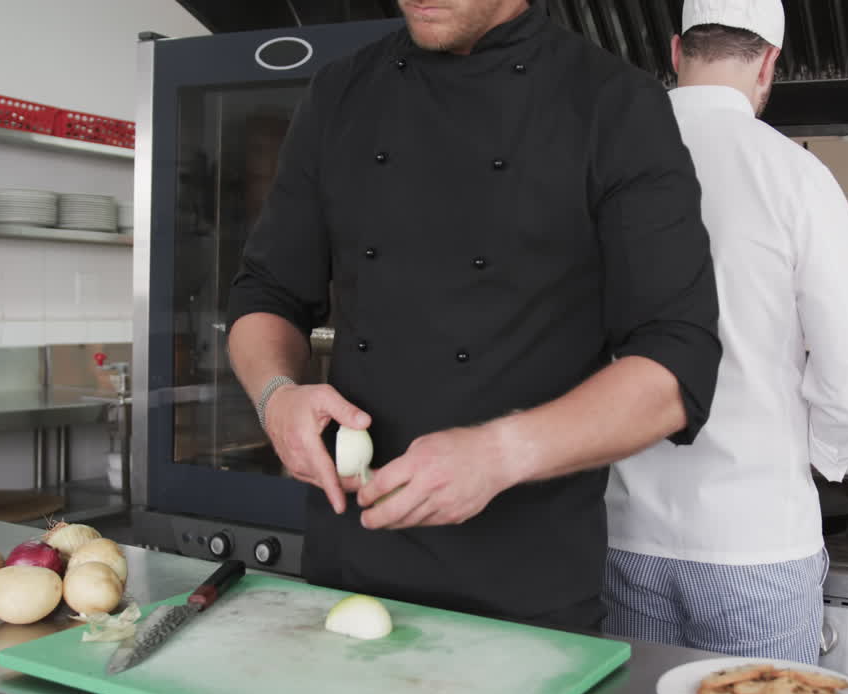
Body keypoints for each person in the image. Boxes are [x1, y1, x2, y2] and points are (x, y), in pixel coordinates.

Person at [225, 0, 722, 631]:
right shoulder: (340, 93)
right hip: (348, 574)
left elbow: (676, 361)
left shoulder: (615, 105)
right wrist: (275, 396)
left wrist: (499, 454)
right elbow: (266, 292)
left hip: (526, 593)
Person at [603, 0, 848, 664]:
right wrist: (796, 460)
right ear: (769, 64)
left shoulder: (606, 165)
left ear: (676, 52)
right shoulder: (794, 175)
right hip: (756, 543)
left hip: (624, 532)